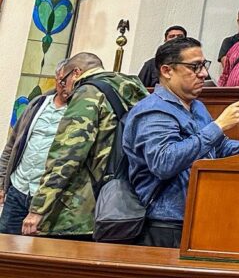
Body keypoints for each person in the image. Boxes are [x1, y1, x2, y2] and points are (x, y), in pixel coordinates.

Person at [123, 36, 239, 247]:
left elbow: (218, 147)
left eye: (204, 65)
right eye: (194, 67)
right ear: (167, 71)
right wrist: (218, 125)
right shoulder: (153, 111)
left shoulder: (197, 106)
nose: (203, 74)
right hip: (164, 225)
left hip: (199, 217)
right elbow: (164, 163)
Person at [22, 52, 147, 238]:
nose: (64, 89)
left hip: (80, 208)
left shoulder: (88, 93)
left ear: (76, 73)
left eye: (63, 81)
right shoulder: (131, 89)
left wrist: (38, 208)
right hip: (120, 201)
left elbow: (67, 154)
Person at [0, 59, 72, 234]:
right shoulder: (37, 104)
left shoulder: (76, 112)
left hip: (47, 197)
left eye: (68, 82)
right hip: (19, 189)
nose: (64, 86)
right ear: (56, 77)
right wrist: (2, 183)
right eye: (61, 80)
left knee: (35, 252)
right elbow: (12, 144)